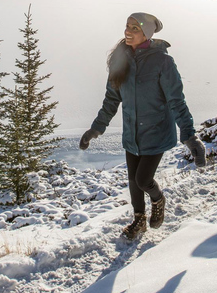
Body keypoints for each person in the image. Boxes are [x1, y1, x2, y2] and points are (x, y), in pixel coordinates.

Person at [79, 12, 206, 239]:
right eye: (126, 26)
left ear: (146, 32)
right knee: (133, 182)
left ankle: (158, 200)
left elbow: (176, 101)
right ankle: (139, 219)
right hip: (132, 133)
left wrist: (189, 136)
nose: (128, 31)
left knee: (143, 179)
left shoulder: (163, 62)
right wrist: (96, 128)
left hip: (156, 132)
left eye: (134, 28)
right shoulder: (121, 59)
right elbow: (111, 99)